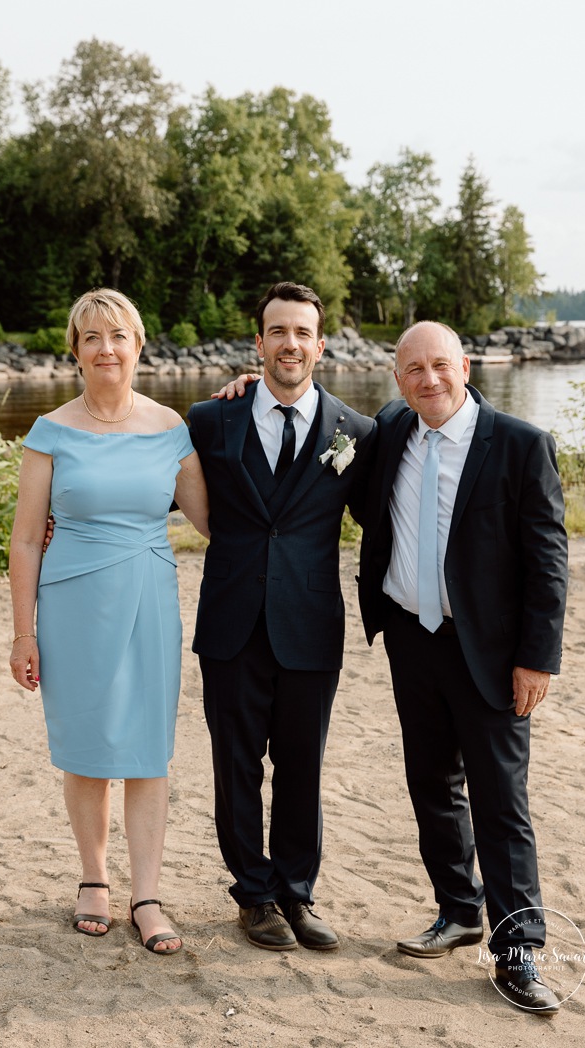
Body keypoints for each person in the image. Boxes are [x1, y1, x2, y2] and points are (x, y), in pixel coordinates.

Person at [357, 321, 568, 1012]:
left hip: (491, 652)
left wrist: (537, 660)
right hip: (410, 642)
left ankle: (516, 954)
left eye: (440, 366)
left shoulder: (519, 445)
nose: (429, 380)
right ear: (397, 380)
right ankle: (458, 911)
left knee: (501, 804)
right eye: (413, 369)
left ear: (464, 364)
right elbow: (320, 422)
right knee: (430, 785)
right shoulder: (391, 430)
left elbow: (547, 564)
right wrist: (248, 385)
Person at [9, 288, 209, 955]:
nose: (106, 349)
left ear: (138, 345)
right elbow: (25, 538)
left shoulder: (171, 429)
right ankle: (93, 878)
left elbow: (213, 523)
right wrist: (22, 631)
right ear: (75, 349)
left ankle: (146, 893)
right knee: (88, 746)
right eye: (91, 337)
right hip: (69, 605)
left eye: (118, 335)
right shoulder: (50, 432)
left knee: (149, 751)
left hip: (148, 599)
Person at [187, 282, 377, 951]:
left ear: (320, 345)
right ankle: (254, 895)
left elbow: (388, 521)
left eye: (302, 332)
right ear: (258, 341)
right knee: (235, 763)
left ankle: (297, 894)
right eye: (278, 331)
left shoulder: (358, 431)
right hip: (231, 622)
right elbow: (147, 476)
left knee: (303, 765)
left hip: (310, 622)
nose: (290, 343)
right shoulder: (210, 420)